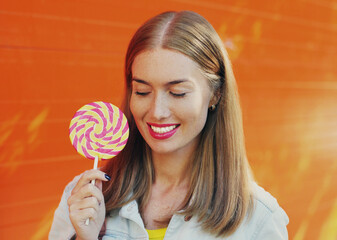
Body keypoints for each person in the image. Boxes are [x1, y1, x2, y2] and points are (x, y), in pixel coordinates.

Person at [49, 10, 289, 240]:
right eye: (142, 91)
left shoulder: (259, 220)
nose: (157, 111)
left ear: (215, 95)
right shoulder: (85, 198)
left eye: (177, 93)